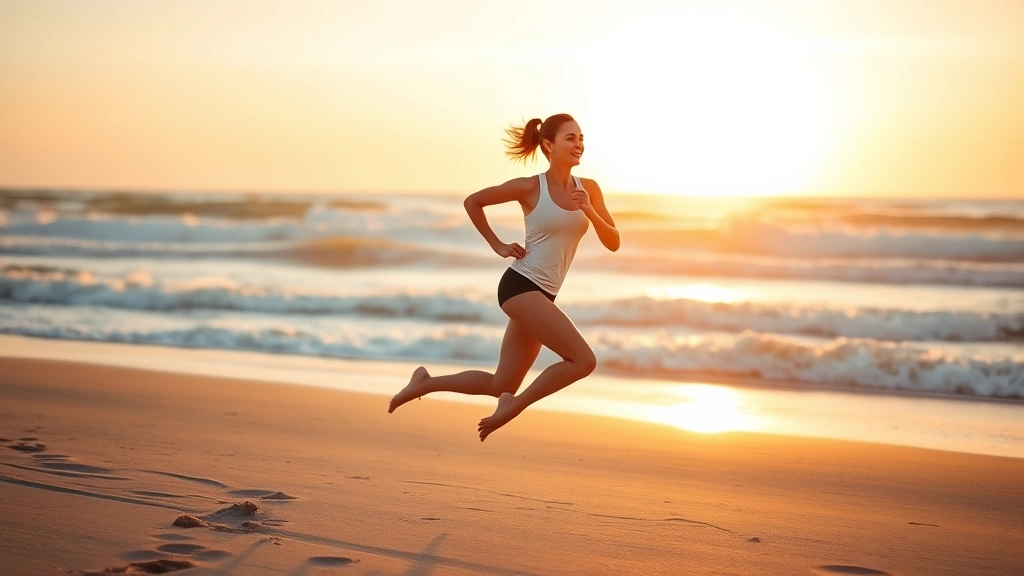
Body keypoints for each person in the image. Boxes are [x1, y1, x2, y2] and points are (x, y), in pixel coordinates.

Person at [388, 113, 620, 441]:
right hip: (520, 287)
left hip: (543, 295)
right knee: (583, 360)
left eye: (581, 138)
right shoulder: (529, 187)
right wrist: (496, 244)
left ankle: (425, 382)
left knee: (502, 384)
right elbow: (474, 202)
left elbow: (613, 242)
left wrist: (591, 211)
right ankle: (516, 406)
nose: (579, 144)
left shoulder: (590, 189)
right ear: (548, 145)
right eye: (571, 138)